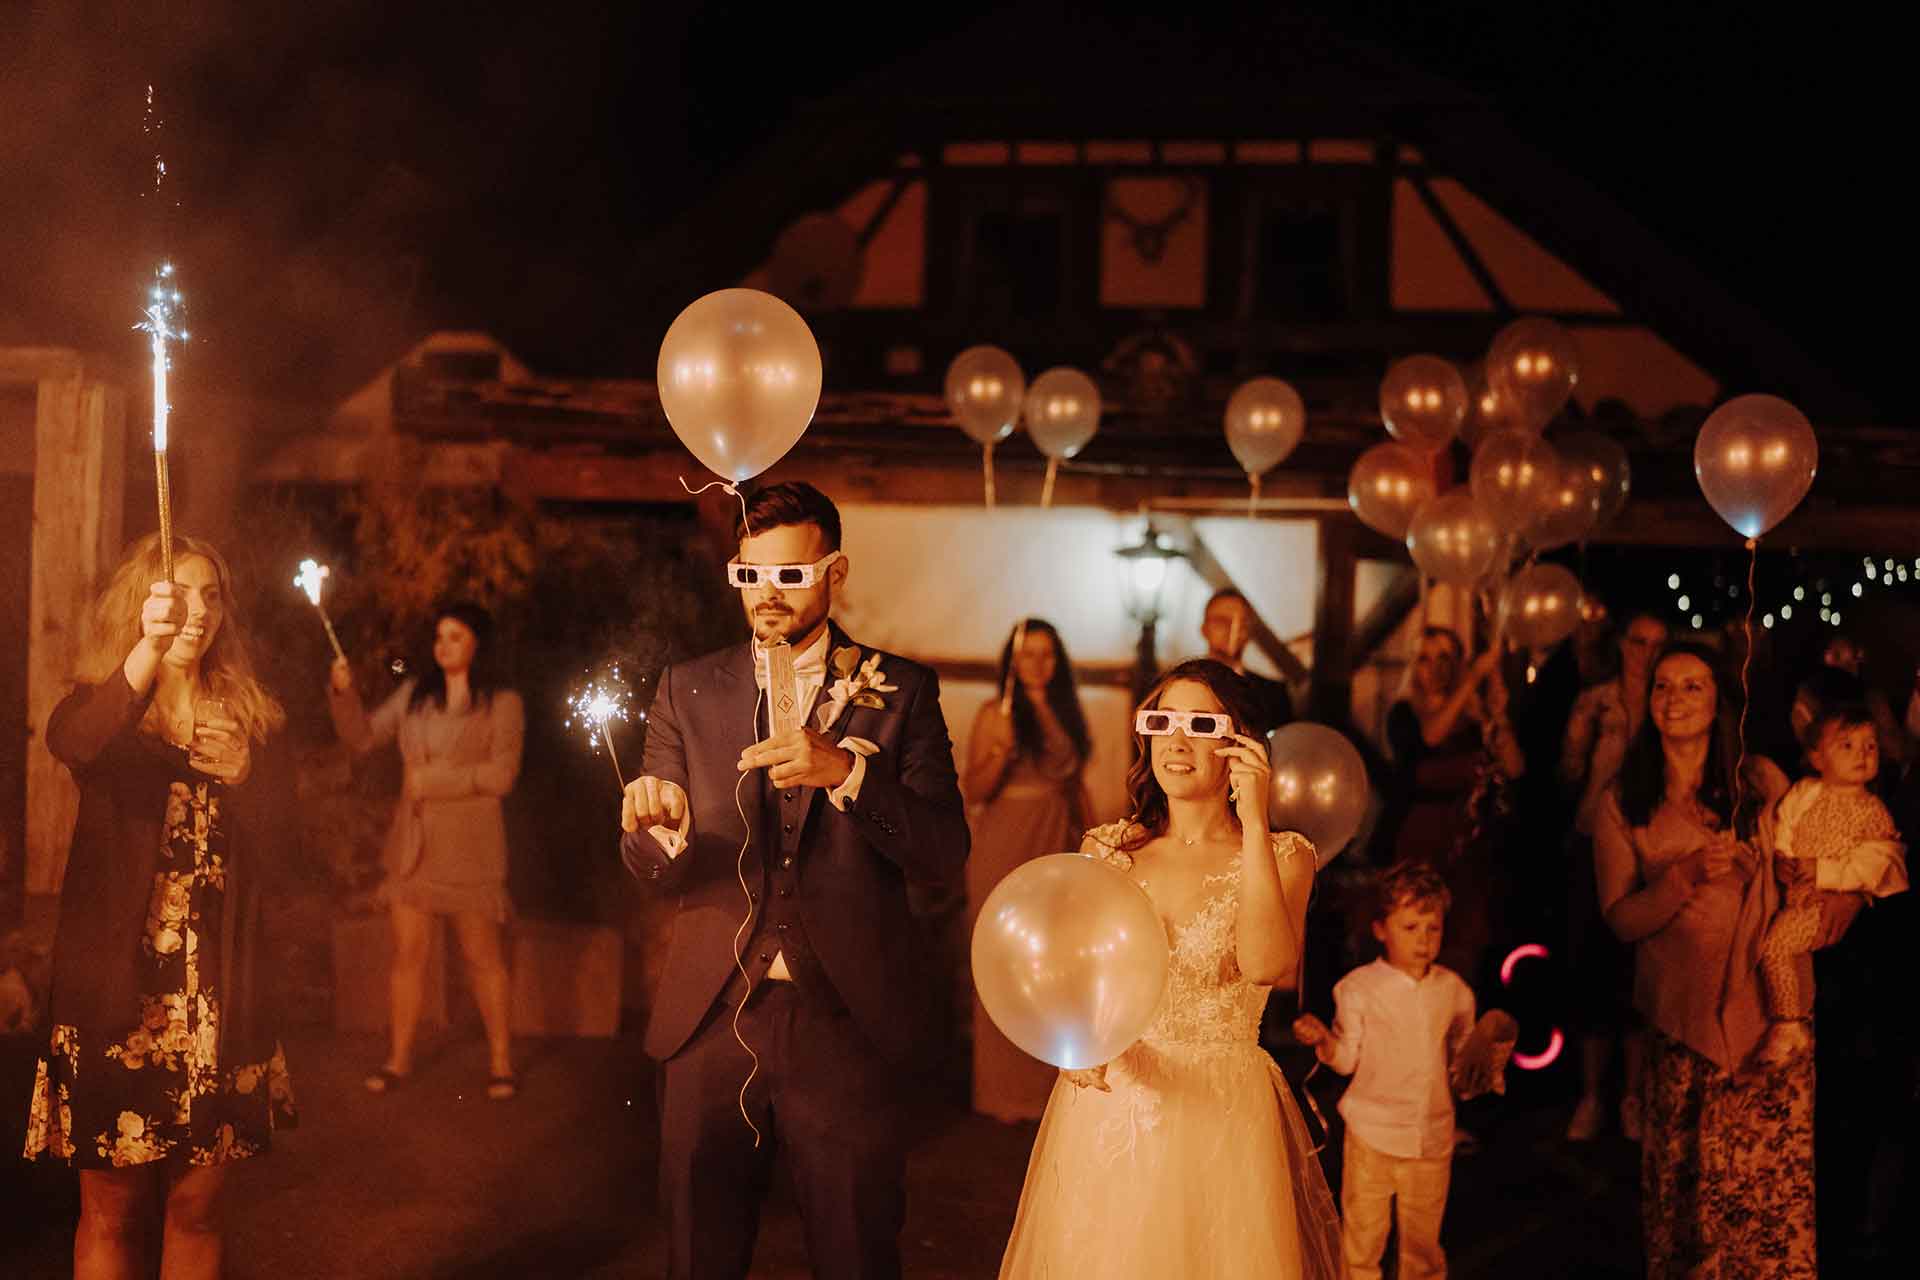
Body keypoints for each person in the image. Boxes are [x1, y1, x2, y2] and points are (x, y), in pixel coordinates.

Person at [617, 481, 968, 1280]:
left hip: (844, 1022)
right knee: (697, 1260)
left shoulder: (901, 689)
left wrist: (847, 770)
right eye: (751, 575)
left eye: (790, 575)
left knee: (854, 1255)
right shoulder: (687, 688)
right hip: (708, 1021)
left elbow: (945, 853)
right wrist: (658, 833)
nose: (767, 595)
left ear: (833, 570)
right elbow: (651, 864)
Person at [997, 659, 1342, 1279]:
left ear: (1239, 744)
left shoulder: (1286, 855)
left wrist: (1256, 818)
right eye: (1162, 721)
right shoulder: (1107, 849)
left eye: (1200, 723)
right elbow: (1077, 974)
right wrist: (1078, 1042)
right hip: (1116, 1104)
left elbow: (1266, 965)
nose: (1176, 742)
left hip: (1221, 1110)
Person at [23, 532, 296, 1280]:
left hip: (217, 999)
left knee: (195, 1211)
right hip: (118, 1000)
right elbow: (75, 742)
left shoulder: (250, 719)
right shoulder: (107, 708)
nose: (199, 611)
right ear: (143, 604)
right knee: (111, 1215)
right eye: (180, 595)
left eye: (212, 595)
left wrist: (248, 778)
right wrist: (146, 651)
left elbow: (290, 850)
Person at [1594, 640, 1855, 1278]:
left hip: (1769, 1020)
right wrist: (1681, 877)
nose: (1674, 699)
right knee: (1692, 1205)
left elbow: (1816, 863)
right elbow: (1621, 920)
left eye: (1692, 686)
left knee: (1768, 1199)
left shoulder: (1760, 779)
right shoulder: (1624, 800)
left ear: (1719, 701)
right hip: (1681, 1025)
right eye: (1662, 686)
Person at [328, 602, 525, 1099]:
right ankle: (397, 1059)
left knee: (481, 956)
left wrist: (432, 780)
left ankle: (502, 1061)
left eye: (456, 636)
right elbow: (363, 737)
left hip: (470, 848)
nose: (444, 646)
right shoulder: (416, 695)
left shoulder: (501, 702)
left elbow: (502, 775)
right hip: (414, 847)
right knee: (407, 955)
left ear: (478, 643)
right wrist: (343, 692)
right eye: (440, 636)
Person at [1293, 861, 1476, 1280]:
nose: (1424, 940)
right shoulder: (1359, 988)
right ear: (1380, 929)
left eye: (1433, 928)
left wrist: (1479, 1064)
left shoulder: (1454, 991)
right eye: (1410, 928)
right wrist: (1324, 1040)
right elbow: (1346, 1058)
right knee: (1363, 1237)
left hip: (1430, 1134)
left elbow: (1459, 1060)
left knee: (1423, 1244)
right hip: (1372, 1133)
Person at [963, 618, 1093, 1123]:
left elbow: (1075, 785)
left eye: (1047, 654)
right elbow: (974, 790)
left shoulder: (1065, 712)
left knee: (1056, 964)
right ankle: (1003, 1093)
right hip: (1008, 841)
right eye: (1028, 654)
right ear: (1012, 662)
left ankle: (1047, 1088)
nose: (1038, 664)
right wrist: (1001, 748)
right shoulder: (996, 713)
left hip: (1056, 837)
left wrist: (1098, 840)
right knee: (1006, 960)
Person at [1558, 607, 1667, 1141]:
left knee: (1641, 973)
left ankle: (1633, 1095)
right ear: (1624, 644)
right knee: (1592, 968)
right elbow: (1569, 773)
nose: (1647, 652)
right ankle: (1593, 1094)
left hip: (1650, 844)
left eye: (1657, 643)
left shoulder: (1668, 703)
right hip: (1592, 839)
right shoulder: (1595, 702)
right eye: (1640, 641)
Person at [1752, 703, 1907, 1069]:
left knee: (1775, 945)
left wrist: (1822, 872)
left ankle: (1788, 1025)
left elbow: (1874, 866)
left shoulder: (1873, 811)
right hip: (1796, 896)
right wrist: (1783, 856)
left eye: (1870, 746)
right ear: (1818, 758)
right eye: (1847, 746)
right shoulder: (1805, 792)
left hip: (1826, 905)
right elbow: (1786, 823)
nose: (1863, 754)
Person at [1376, 627, 1522, 989]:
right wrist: (1473, 678)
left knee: (1464, 940)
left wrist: (1498, 713)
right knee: (1416, 929)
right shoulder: (1404, 714)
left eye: (1444, 658)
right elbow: (1431, 738)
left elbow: (1516, 767)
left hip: (1468, 843)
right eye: (1425, 658)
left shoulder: (1473, 721)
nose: (1435, 667)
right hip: (1420, 839)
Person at [1199, 587, 1293, 735]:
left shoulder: (1274, 695)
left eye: (1241, 623)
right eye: (1223, 621)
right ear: (1204, 629)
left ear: (1248, 631)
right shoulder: (1177, 686)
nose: (1233, 631)